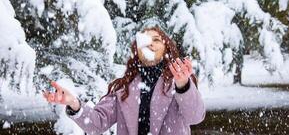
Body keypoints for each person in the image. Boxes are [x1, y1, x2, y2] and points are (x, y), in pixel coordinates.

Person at [43, 26, 206, 135]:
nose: (150, 44)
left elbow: (195, 117)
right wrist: (74, 104)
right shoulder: (123, 88)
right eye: (145, 40)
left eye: (156, 39)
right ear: (137, 50)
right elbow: (97, 124)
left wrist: (183, 86)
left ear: (166, 47)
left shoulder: (180, 83)